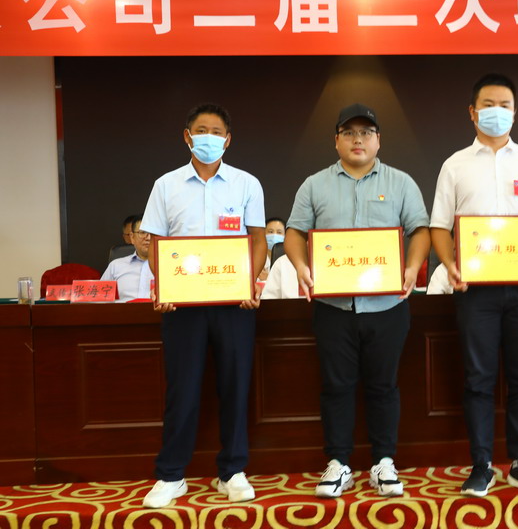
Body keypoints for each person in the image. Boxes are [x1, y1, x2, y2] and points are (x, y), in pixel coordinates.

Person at [284, 103, 430, 499]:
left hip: (387, 306)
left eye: (366, 132)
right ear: (337, 140)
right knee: (336, 386)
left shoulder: (401, 182)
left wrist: (412, 266)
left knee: (384, 386)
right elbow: (295, 232)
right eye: (349, 132)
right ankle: (339, 462)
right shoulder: (314, 185)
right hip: (333, 308)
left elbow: (420, 230)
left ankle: (384, 462)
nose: (358, 139)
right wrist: (301, 265)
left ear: (378, 140)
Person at [430, 73, 518, 498]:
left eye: (504, 105)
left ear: (515, 112)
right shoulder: (454, 165)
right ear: (472, 112)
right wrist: (450, 264)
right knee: (478, 379)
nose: (496, 112)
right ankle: (481, 465)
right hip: (476, 292)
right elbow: (439, 226)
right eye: (488, 104)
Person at [140, 103, 267, 508]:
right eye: (201, 130)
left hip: (234, 304)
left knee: (235, 385)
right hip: (183, 307)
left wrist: (250, 281)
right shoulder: (166, 185)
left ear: (227, 140)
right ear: (187, 136)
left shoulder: (247, 184)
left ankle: (232, 470)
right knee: (182, 389)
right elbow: (155, 243)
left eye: (216, 132)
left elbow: (258, 240)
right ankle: (171, 475)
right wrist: (164, 286)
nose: (208, 137)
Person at [100, 215, 154, 300]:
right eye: (143, 232)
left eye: (153, 233)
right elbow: (99, 299)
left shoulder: (170, 266)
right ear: (132, 237)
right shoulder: (115, 266)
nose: (149, 238)